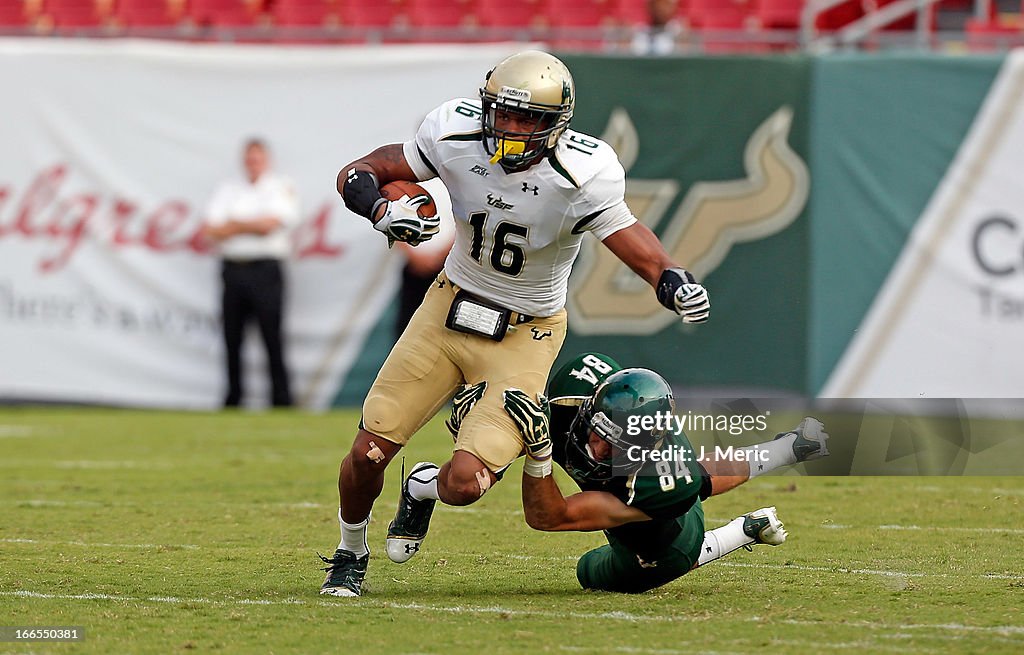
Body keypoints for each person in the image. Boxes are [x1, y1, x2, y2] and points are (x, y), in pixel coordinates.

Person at [319, 50, 711, 597]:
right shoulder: (453, 131)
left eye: (528, 119)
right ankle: (349, 552)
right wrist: (381, 211)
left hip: (527, 332)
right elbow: (361, 172)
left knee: (466, 484)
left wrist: (668, 276)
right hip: (447, 306)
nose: (512, 128)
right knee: (368, 452)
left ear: (556, 125)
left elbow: (626, 232)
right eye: (503, 113)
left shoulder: (582, 171)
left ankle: (423, 490)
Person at [455, 352, 831, 593]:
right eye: (597, 432)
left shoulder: (662, 479)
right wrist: (485, 425)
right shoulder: (579, 391)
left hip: (665, 540)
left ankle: (740, 531)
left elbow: (549, 516)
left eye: (614, 447)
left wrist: (539, 456)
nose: (597, 449)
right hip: (672, 482)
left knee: (589, 573)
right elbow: (524, 411)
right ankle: (790, 449)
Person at [202, 138, 298, 408]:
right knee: (232, 338)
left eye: (257, 159)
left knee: (272, 336)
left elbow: (272, 224)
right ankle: (233, 399)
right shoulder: (228, 189)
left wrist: (233, 225)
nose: (252, 164)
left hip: (265, 269)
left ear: (266, 160)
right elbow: (210, 230)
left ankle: (281, 399)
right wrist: (251, 225)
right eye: (249, 159)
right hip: (233, 269)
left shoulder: (280, 186)